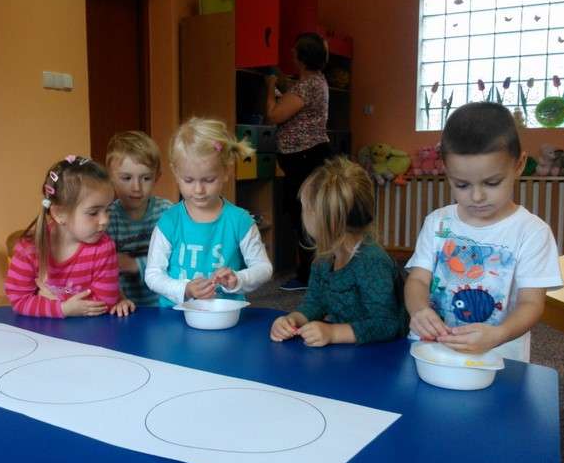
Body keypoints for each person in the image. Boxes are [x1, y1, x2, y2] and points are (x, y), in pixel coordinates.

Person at [404, 102, 563, 362]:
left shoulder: (532, 232)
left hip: (498, 357)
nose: (477, 197)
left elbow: (531, 304)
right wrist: (419, 310)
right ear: (447, 172)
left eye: (492, 183)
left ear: (519, 165)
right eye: (462, 185)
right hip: (431, 352)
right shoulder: (437, 222)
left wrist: (499, 334)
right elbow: (418, 280)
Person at [270, 158, 407, 346]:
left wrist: (334, 333)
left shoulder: (372, 261)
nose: (302, 214)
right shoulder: (324, 258)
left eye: (305, 207)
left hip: (383, 353)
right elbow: (315, 302)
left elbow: (386, 323)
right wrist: (293, 319)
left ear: (327, 219)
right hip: (347, 351)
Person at [145, 117, 273, 305]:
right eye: (189, 180)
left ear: (226, 171)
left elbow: (263, 268)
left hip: (224, 313)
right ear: (176, 174)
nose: (199, 190)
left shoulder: (240, 220)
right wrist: (185, 289)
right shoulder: (169, 221)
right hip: (175, 314)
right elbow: (153, 274)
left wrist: (237, 279)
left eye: (208, 180)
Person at [5, 155, 133, 318]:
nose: (105, 220)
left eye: (107, 210)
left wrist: (55, 302)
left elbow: (104, 302)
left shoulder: (104, 247)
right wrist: (63, 309)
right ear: (59, 214)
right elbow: (18, 300)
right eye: (93, 212)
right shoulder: (28, 249)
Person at [266, 32, 331, 292]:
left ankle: (307, 276)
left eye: (294, 52)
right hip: (308, 156)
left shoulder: (307, 86)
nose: (292, 55)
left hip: (304, 157)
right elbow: (294, 97)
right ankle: (313, 274)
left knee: (303, 215)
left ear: (301, 58)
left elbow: (274, 115)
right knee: (307, 213)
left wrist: (270, 87)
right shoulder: (316, 81)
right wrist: (284, 82)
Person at [105, 131, 173, 306]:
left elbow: (178, 259)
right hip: (122, 306)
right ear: (110, 178)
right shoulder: (106, 219)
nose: (136, 187)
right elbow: (103, 268)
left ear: (157, 178)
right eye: (126, 178)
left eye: (146, 178)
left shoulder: (167, 212)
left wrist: (135, 264)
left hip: (164, 304)